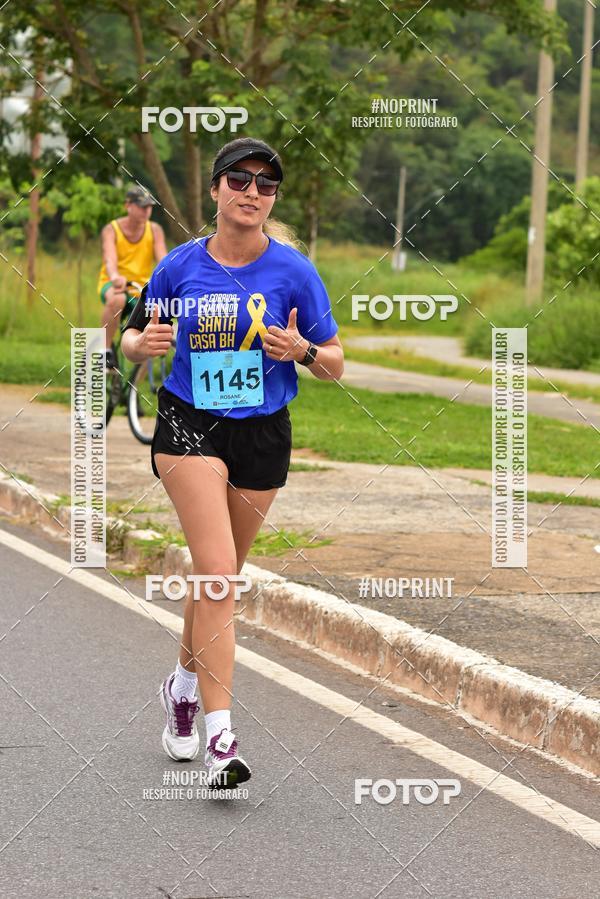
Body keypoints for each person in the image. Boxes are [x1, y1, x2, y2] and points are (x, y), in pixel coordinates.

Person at [121, 137, 344, 788]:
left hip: (263, 434)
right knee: (217, 573)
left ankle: (183, 685)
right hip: (190, 421)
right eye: (240, 180)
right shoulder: (180, 267)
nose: (252, 193)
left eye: (266, 185)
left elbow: (335, 363)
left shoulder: (295, 272)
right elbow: (131, 338)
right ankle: (222, 737)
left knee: (216, 578)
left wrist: (302, 349)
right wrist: (145, 342)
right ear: (215, 191)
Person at [98, 184, 167, 367]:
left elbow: (164, 262)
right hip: (115, 284)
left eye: (149, 206)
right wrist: (115, 276)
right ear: (128, 205)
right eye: (142, 206)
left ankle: (134, 389)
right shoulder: (112, 229)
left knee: (157, 319)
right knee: (118, 298)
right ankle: (103, 351)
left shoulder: (155, 230)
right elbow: (110, 259)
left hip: (141, 289)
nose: (146, 211)